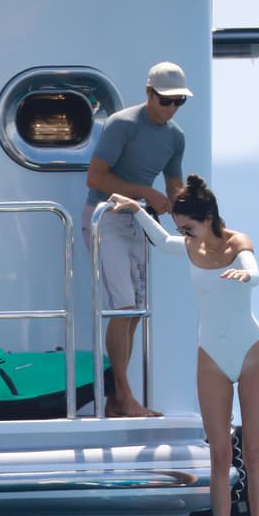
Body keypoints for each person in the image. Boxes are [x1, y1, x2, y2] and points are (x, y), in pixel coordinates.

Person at [108, 176, 259, 516]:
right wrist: (136, 208)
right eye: (181, 229)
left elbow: (255, 271)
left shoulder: (237, 242)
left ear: (208, 218)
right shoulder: (188, 246)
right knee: (219, 454)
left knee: (252, 451)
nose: (184, 235)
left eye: (188, 227)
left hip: (252, 352)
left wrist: (246, 275)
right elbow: (161, 240)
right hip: (211, 356)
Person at [82, 61, 191, 417]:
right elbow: (95, 178)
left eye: (178, 102)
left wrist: (190, 222)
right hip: (105, 219)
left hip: (139, 223)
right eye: (165, 100)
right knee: (124, 307)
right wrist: (145, 191)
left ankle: (118, 399)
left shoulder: (175, 137)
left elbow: (174, 187)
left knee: (136, 312)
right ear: (148, 93)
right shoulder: (122, 124)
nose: (171, 108)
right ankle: (124, 396)